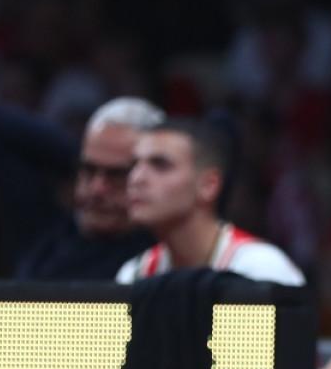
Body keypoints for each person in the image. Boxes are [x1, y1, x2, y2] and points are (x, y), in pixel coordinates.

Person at [0, 96, 164, 279]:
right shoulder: (45, 234)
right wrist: (87, 149)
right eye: (88, 169)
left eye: (117, 175)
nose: (97, 189)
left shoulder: (157, 260)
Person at [115, 119, 304, 286]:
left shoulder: (261, 270)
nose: (136, 178)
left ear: (208, 185)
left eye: (160, 165)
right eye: (134, 165)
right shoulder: (133, 274)